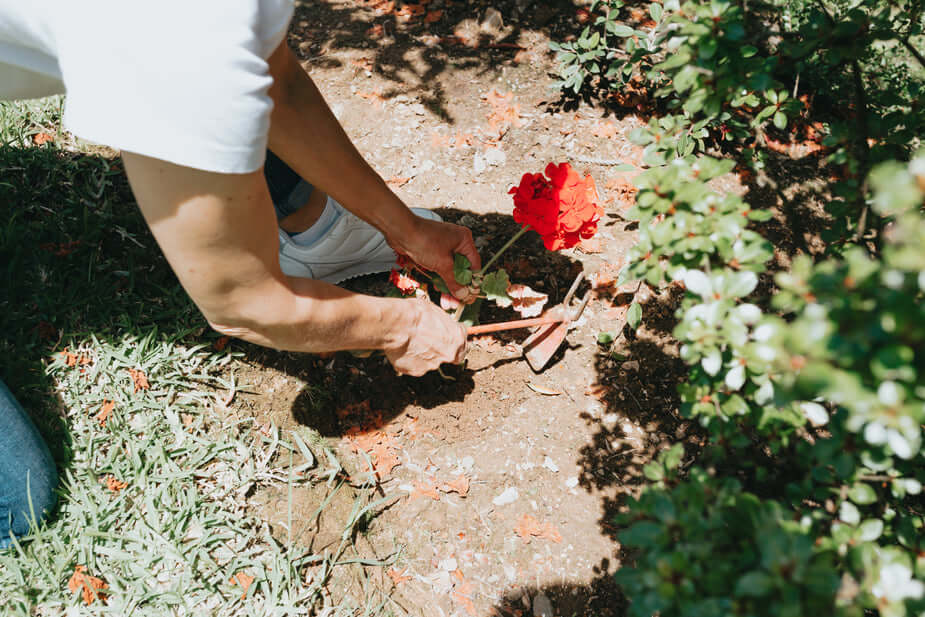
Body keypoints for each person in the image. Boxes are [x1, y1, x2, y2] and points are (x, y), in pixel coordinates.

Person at [0, 0, 480, 547]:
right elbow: (242, 304)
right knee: (19, 502)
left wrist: (404, 228)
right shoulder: (170, 29)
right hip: (159, 44)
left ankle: (313, 232)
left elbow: (274, 83)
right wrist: (403, 327)